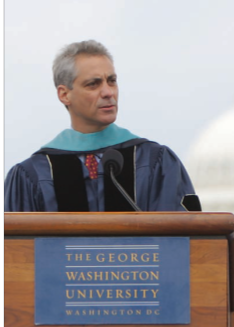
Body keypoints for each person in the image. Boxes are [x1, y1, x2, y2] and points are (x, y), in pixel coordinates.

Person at [4, 41, 198, 214]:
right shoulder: (33, 174)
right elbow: (17, 250)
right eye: (93, 84)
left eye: (111, 81)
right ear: (64, 95)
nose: (108, 92)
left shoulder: (155, 161)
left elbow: (182, 243)